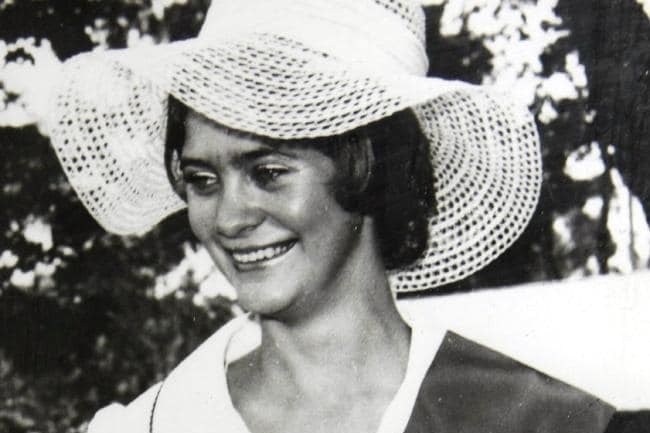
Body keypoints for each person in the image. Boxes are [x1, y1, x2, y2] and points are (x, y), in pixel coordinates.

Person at [46, 0, 617, 432]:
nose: (229, 218)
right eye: (202, 181)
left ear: (369, 167)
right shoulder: (157, 425)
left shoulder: (536, 420)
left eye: (267, 172)